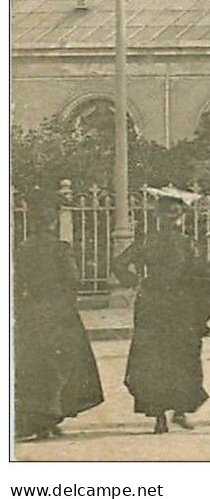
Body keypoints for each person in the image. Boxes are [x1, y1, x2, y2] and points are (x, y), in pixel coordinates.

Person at [111, 186, 210, 433]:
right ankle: (180, 410)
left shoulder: (147, 240)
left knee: (153, 358)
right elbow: (201, 274)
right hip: (181, 304)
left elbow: (119, 263)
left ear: (158, 215)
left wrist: (135, 282)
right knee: (183, 356)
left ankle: (159, 416)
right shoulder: (188, 243)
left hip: (152, 303)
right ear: (182, 216)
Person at [14, 188, 103, 441]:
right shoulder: (61, 249)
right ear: (53, 220)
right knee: (62, 364)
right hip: (60, 311)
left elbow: (16, 282)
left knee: (33, 365)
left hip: (30, 310)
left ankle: (40, 419)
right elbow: (73, 279)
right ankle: (52, 417)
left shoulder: (22, 249)